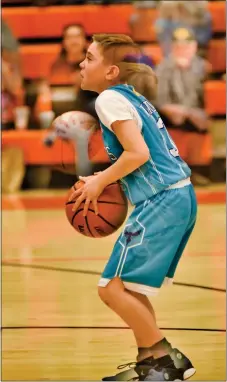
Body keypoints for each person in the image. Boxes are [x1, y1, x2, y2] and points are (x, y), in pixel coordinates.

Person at [69, 34, 197, 381]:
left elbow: (138, 154)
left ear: (111, 71)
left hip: (162, 201)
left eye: (90, 58)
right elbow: (144, 157)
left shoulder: (109, 99)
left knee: (110, 288)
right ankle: (153, 363)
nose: (81, 63)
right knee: (125, 287)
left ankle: (166, 361)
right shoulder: (131, 97)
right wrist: (104, 178)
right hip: (175, 196)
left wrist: (99, 182)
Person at [155, 27, 212, 186]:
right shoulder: (163, 67)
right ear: (172, 47)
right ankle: (173, 171)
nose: (182, 49)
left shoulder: (202, 67)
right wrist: (183, 111)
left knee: (202, 120)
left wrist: (190, 112)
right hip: (170, 112)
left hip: (195, 113)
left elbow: (203, 97)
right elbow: (159, 99)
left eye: (187, 45)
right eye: (178, 45)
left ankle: (197, 170)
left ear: (194, 46)